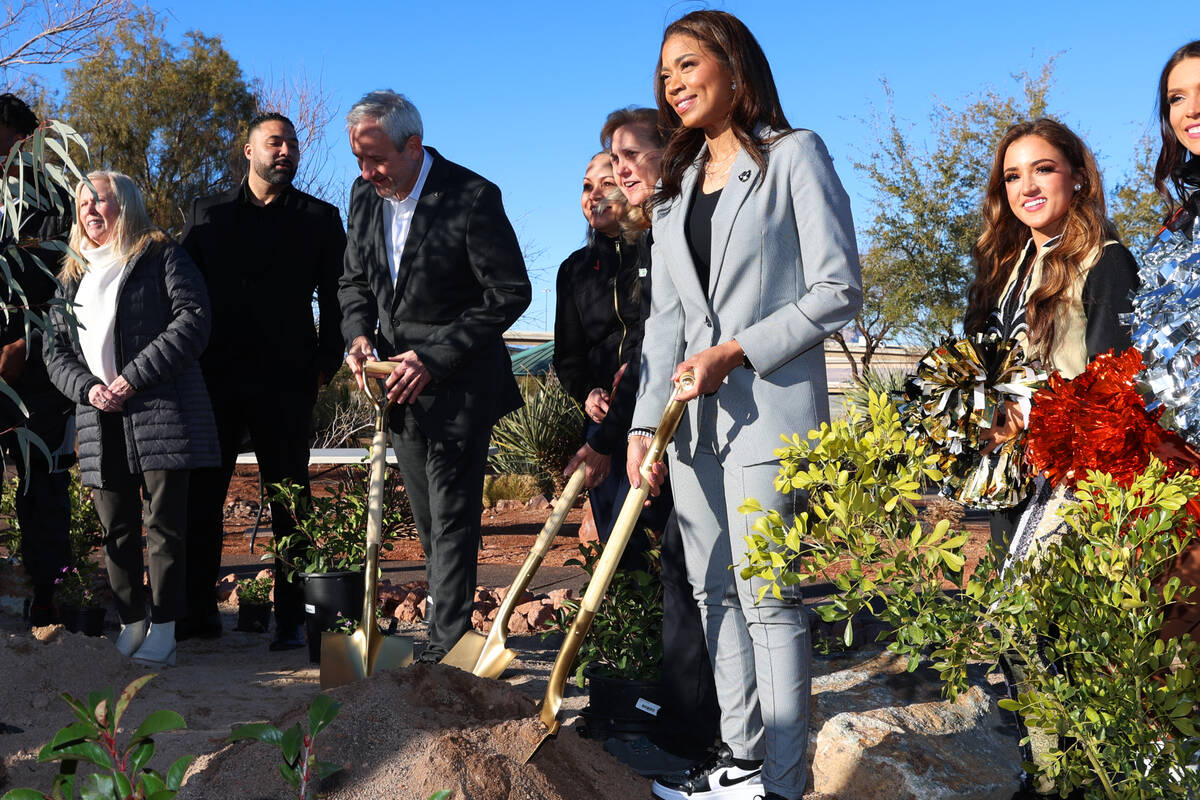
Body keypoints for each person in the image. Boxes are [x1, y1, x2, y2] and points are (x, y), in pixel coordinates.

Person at [627, 11, 861, 800]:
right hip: (687, 427)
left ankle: (785, 783)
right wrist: (640, 427)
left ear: (734, 67)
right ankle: (740, 758)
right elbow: (665, 324)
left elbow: (838, 288)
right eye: (664, 74)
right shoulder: (671, 192)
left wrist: (736, 351)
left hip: (770, 414)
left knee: (768, 597)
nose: (673, 83)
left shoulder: (795, 157)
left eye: (688, 64)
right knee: (712, 591)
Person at [339, 90, 531, 663]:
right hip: (396, 390)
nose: (368, 172)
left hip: (458, 388)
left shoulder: (471, 197)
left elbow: (510, 292)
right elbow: (354, 282)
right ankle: (445, 638)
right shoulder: (363, 197)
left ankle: (446, 650)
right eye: (358, 160)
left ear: (413, 145)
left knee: (452, 518)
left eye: (376, 159)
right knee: (429, 520)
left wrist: (433, 355)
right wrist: (358, 335)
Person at [181, 112, 346, 648]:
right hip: (214, 378)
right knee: (202, 498)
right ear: (248, 151)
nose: (286, 151)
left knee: (289, 500)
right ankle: (197, 613)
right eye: (275, 142)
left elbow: (338, 295)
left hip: (287, 378)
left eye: (292, 144)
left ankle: (291, 620)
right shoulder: (207, 214)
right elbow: (181, 289)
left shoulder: (320, 218)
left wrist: (328, 359)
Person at [45, 171, 219, 666]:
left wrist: (132, 378)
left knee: (164, 526)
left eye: (101, 200)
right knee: (115, 528)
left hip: (161, 411)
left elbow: (193, 319)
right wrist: (90, 389)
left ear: (127, 206)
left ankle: (164, 628)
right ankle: (132, 621)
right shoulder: (70, 273)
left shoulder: (161, 254)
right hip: (99, 418)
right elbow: (54, 350)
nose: (91, 210)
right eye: (83, 203)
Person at [964, 117, 1138, 549]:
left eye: (1043, 169)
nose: (1027, 187)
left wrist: (1028, 418)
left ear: (1079, 176)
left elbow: (1112, 389)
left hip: (1069, 483)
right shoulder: (1002, 270)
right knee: (1004, 605)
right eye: (1012, 176)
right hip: (1007, 475)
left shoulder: (1106, 261)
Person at [0, 94, 74, 627]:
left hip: (37, 373)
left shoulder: (60, 204)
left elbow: (70, 287)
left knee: (42, 486)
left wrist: (25, 344)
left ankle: (50, 599)